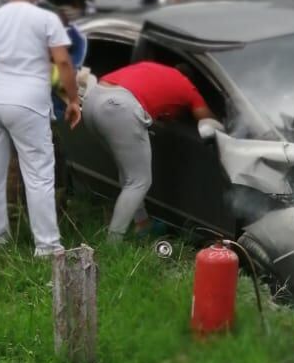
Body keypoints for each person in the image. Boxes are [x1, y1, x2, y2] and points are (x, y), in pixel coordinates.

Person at [0, 0, 82, 256]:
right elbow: (63, 62)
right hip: (28, 102)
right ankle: (47, 245)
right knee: (39, 174)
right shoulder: (45, 19)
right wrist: (73, 99)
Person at [82, 59, 216, 240]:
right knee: (139, 181)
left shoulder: (150, 66)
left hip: (92, 100)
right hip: (119, 108)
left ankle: (143, 224)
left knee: (128, 172)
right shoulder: (187, 87)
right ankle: (112, 243)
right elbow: (207, 120)